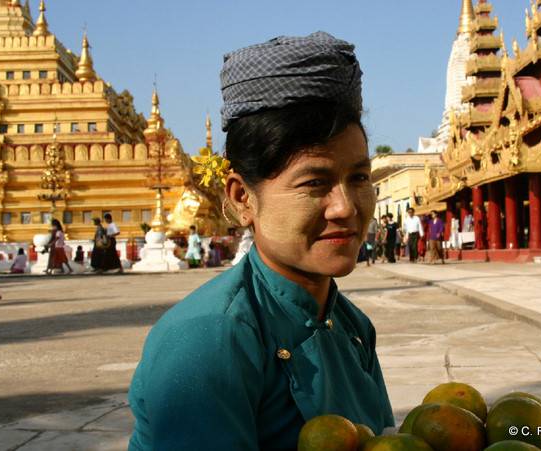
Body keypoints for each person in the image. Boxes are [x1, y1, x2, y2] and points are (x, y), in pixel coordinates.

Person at [128, 32, 394, 451]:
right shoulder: (208, 341)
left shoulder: (352, 326)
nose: (345, 207)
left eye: (359, 178)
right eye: (314, 182)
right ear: (242, 198)